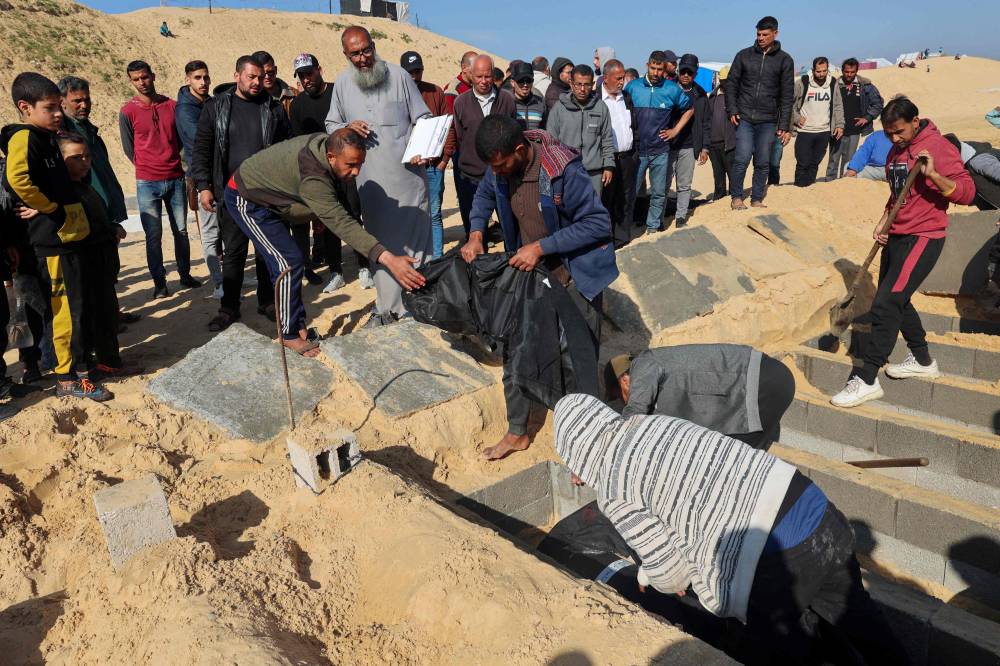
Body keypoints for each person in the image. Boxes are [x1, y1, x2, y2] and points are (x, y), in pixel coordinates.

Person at [553, 393, 908, 666]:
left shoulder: (615, 487)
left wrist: (651, 575)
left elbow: (672, 575)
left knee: (778, 652)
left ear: (579, 453)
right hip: (814, 509)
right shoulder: (653, 424)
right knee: (863, 627)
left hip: (773, 555)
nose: (575, 475)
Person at [460, 116, 618, 461]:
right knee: (518, 352)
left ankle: (592, 437)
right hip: (533, 275)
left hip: (576, 276)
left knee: (579, 359)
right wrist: (475, 232)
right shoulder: (499, 165)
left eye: (501, 166)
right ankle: (518, 431)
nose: (497, 172)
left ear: (519, 151)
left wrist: (540, 248)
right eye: (493, 167)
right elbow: (485, 195)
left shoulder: (563, 172)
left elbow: (597, 223)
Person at [831, 97, 975, 408]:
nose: (894, 139)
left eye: (899, 132)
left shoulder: (937, 147)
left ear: (915, 121)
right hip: (897, 233)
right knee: (897, 297)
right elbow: (898, 192)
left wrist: (934, 175)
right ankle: (923, 361)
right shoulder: (897, 150)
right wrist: (885, 220)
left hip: (923, 236)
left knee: (886, 303)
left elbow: (967, 192)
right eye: (888, 133)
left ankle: (867, 379)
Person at [229, 129, 425, 356]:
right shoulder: (314, 176)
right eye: (351, 164)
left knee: (290, 260)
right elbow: (341, 222)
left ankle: (296, 323)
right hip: (247, 199)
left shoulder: (327, 147)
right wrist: (388, 258)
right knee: (287, 264)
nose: (356, 171)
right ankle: (289, 335)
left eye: (360, 164)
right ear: (331, 157)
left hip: (275, 198)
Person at [1, 72, 112, 401]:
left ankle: (79, 367)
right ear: (25, 107)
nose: (58, 113)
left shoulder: (46, 137)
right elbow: (18, 179)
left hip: (69, 239)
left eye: (58, 107)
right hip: (53, 245)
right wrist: (47, 206)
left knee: (77, 308)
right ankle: (66, 379)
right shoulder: (24, 137)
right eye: (50, 108)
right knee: (63, 312)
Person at [325, 26, 433, 325]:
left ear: (374, 45)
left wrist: (421, 147)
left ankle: (419, 307)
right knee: (381, 247)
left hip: (408, 180)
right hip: (371, 185)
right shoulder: (343, 84)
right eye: (355, 54)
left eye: (366, 50)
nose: (363, 58)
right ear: (345, 55)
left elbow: (422, 117)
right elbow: (330, 125)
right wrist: (348, 128)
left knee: (415, 245)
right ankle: (388, 310)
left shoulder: (398, 76)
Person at [191, 54, 289, 332]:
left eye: (260, 77)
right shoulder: (215, 107)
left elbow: (286, 149)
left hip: (265, 192)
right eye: (251, 77)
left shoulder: (273, 108)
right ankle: (229, 307)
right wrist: (204, 186)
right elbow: (201, 149)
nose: (257, 82)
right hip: (230, 193)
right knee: (233, 252)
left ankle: (267, 302)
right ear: (237, 76)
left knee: (264, 251)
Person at [56, 133, 137, 378]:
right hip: (85, 268)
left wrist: (113, 228)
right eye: (77, 157)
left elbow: (96, 221)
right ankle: (98, 365)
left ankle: (110, 362)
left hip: (102, 266)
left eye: (87, 156)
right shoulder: (62, 193)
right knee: (92, 319)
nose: (85, 162)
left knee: (107, 315)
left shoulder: (84, 186)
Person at [607, 345, 795, 451]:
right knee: (739, 460)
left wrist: (607, 451)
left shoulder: (643, 363)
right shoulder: (665, 377)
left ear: (624, 380)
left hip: (758, 384)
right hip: (768, 384)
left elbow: (635, 412)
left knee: (732, 461)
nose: (624, 403)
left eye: (619, 398)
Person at [119, 60, 199, 298]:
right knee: (153, 235)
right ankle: (159, 283)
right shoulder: (127, 112)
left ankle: (185, 275)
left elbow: (183, 139)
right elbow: (128, 147)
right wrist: (147, 165)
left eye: (145, 77)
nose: (142, 82)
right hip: (147, 182)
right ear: (131, 81)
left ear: (153, 76)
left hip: (175, 178)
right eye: (136, 79)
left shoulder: (172, 106)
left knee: (181, 231)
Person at [288, 53, 352, 292]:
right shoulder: (297, 105)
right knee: (330, 220)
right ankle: (336, 270)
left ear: (319, 69)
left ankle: (366, 265)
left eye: (309, 73)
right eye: (301, 76)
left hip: (348, 168)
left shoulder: (338, 92)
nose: (306, 80)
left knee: (354, 214)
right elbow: (298, 143)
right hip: (321, 172)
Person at [443, 54, 516, 240]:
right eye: (479, 77)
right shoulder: (461, 102)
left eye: (487, 76)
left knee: (509, 228)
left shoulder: (507, 100)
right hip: (470, 177)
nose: (483, 81)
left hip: (502, 176)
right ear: (470, 75)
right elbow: (460, 136)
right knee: (474, 231)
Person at [726, 16, 795, 210]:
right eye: (758, 34)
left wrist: (784, 124)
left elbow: (787, 95)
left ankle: (756, 199)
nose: (761, 38)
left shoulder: (784, 60)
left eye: (765, 34)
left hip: (768, 120)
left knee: (763, 162)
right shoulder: (743, 55)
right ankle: (736, 197)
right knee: (741, 158)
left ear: (775, 33)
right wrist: (732, 109)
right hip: (745, 117)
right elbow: (731, 84)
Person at [625, 50, 692, 234]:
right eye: (652, 68)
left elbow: (689, 109)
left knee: (659, 193)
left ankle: (653, 228)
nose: (655, 73)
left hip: (661, 151)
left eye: (659, 69)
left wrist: (675, 130)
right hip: (637, 151)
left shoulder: (672, 89)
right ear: (647, 65)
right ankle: (626, 228)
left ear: (665, 69)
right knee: (631, 192)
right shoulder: (633, 87)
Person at [175, 60, 224, 299]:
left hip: (219, 175)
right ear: (187, 79)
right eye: (197, 78)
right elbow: (201, 144)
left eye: (205, 77)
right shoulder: (185, 109)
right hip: (202, 177)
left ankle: (230, 277)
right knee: (210, 232)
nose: (203, 82)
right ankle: (218, 283)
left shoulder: (208, 102)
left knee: (226, 230)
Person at [401, 50, 450, 259]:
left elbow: (448, 127)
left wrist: (444, 160)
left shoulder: (435, 92)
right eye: (410, 72)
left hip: (433, 166)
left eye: (418, 71)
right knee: (412, 215)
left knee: (435, 214)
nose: (414, 76)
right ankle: (417, 258)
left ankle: (437, 259)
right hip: (409, 169)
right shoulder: (396, 95)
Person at [545, 64, 615, 195]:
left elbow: (607, 139)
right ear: (571, 84)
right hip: (567, 173)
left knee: (592, 212)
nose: (582, 89)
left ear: (592, 84)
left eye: (587, 85)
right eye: (578, 84)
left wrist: (609, 166)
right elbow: (551, 142)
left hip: (594, 174)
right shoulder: (559, 109)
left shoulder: (601, 107)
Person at [665, 54, 711, 227]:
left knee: (684, 185)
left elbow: (706, 122)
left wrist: (705, 148)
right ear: (678, 70)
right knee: (664, 185)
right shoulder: (667, 88)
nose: (685, 75)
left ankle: (680, 217)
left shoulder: (700, 94)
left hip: (690, 145)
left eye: (689, 73)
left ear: (695, 74)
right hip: (668, 145)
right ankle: (659, 218)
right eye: (683, 71)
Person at [599, 59, 638, 248]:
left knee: (625, 198)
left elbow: (634, 126)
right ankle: (606, 239)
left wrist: (635, 153)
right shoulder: (596, 100)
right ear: (606, 78)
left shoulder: (627, 98)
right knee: (606, 200)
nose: (622, 82)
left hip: (627, 158)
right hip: (607, 161)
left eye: (623, 78)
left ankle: (622, 238)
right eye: (618, 78)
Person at [826, 58, 884, 180]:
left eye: (852, 72)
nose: (849, 75)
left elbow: (878, 103)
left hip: (855, 130)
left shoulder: (866, 86)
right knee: (833, 160)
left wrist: (867, 117)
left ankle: (844, 184)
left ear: (856, 71)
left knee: (849, 161)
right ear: (842, 71)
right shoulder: (834, 85)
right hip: (837, 129)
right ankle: (829, 184)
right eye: (847, 72)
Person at [791, 57, 844, 187]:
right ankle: (799, 188)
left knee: (815, 162)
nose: (821, 74)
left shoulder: (832, 83)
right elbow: (789, 103)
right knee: (803, 162)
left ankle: (810, 188)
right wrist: (797, 118)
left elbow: (838, 105)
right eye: (818, 71)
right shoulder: (802, 83)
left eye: (824, 71)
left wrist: (839, 124)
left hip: (824, 131)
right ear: (813, 70)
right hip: (805, 131)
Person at [708, 66, 737, 201]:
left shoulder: (737, 98)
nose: (727, 83)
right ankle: (719, 200)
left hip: (730, 144)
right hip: (714, 145)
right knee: (718, 175)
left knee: (733, 175)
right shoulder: (713, 96)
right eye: (724, 80)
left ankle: (734, 199)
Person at [253, 51, 297, 118]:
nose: (267, 77)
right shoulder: (250, 98)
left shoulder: (295, 95)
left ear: (276, 70)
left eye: (270, 72)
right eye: (262, 73)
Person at [509, 61, 545, 131]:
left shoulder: (541, 103)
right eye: (521, 80)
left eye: (528, 80)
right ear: (512, 83)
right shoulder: (507, 103)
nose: (525, 85)